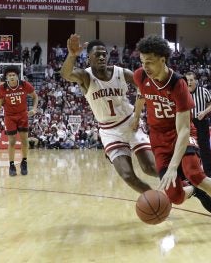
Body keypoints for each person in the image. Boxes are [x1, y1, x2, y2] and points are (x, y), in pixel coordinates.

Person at [133, 34, 211, 240]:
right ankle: (195, 191)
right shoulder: (140, 76)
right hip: (158, 140)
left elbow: (183, 131)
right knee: (175, 197)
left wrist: (173, 166)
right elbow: (141, 95)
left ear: (163, 59)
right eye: (143, 62)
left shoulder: (178, 85)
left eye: (150, 62)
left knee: (195, 173)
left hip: (181, 134)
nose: (146, 67)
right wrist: (136, 117)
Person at [60, 34, 157, 194]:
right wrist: (71, 55)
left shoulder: (121, 73)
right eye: (97, 54)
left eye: (104, 54)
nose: (102, 57)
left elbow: (145, 86)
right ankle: (157, 200)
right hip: (109, 131)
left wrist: (139, 113)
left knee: (149, 167)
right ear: (89, 57)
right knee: (127, 175)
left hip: (130, 122)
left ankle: (182, 181)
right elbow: (65, 74)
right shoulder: (85, 76)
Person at [0, 65, 39, 176]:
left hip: (23, 115)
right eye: (9, 75)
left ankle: (24, 162)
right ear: (6, 77)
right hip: (10, 116)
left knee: (24, 140)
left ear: (17, 76)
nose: (12, 77)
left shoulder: (24, 85)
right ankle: (12, 165)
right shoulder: (2, 88)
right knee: (12, 141)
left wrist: (34, 108)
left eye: (14, 75)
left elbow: (35, 97)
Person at [185, 71, 211, 179]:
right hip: (187, 123)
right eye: (187, 80)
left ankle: (209, 174)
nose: (189, 82)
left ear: (196, 81)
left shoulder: (204, 91)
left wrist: (204, 112)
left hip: (201, 122)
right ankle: (190, 175)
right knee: (189, 149)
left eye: (191, 80)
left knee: (205, 148)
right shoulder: (183, 92)